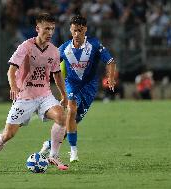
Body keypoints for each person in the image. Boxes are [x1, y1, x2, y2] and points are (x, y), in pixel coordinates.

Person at [0, 13, 68, 173]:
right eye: (46, 29)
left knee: (62, 117)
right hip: (25, 97)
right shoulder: (26, 46)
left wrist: (64, 95)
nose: (50, 32)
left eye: (52, 29)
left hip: (44, 95)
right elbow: (11, 69)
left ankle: (54, 155)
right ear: (37, 28)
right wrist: (13, 86)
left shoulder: (54, 51)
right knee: (8, 134)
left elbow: (57, 74)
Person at [40, 15, 116, 162]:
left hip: (89, 87)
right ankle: (73, 151)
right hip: (72, 85)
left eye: (80, 31)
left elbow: (111, 61)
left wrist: (111, 77)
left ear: (85, 29)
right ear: (70, 29)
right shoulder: (64, 48)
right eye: (74, 31)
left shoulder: (94, 45)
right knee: (71, 111)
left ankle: (50, 143)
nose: (77, 34)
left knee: (73, 120)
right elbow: (51, 65)